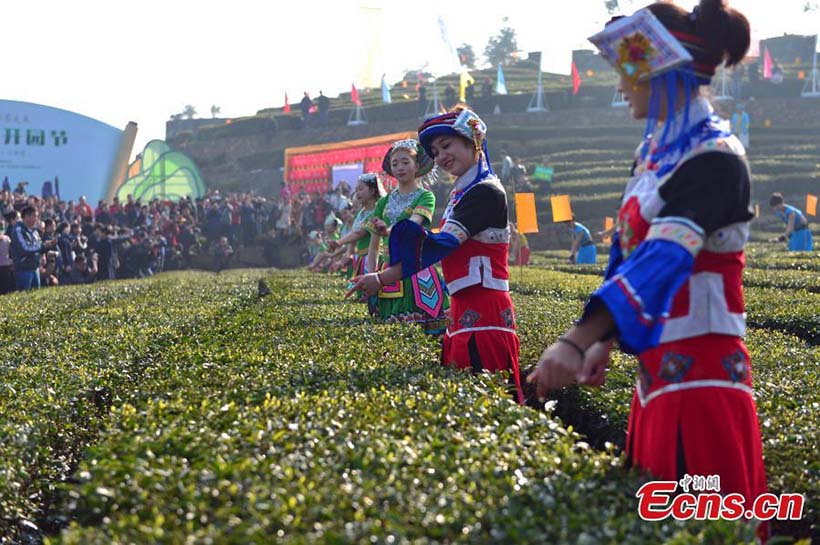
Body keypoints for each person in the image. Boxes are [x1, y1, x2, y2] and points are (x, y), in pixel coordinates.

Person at [528, 2, 768, 541]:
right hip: (657, 379)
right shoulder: (655, 156)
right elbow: (628, 258)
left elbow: (665, 259)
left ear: (667, 72)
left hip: (702, 382)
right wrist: (603, 343)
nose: (621, 87)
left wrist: (577, 337)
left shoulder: (714, 157)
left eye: (628, 73)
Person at [348, 108, 522, 402]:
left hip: (485, 310)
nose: (440, 156)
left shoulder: (485, 192)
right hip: (463, 307)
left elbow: (441, 244)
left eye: (447, 145)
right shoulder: (463, 192)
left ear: (472, 141)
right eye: (436, 150)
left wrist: (382, 277)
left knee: (487, 400)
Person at [358, 138, 450, 334]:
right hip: (387, 271)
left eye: (405, 162)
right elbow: (374, 246)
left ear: (416, 165)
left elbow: (412, 224)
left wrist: (388, 230)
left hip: (417, 269)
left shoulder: (425, 197)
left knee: (428, 336)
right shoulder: (383, 203)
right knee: (391, 336)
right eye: (395, 163)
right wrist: (371, 275)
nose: (400, 167)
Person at [327, 173, 385, 278]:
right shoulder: (360, 214)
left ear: (372, 191)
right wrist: (341, 262)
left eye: (361, 189)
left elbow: (359, 233)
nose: (357, 193)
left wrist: (338, 242)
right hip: (361, 259)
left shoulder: (377, 211)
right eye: (356, 190)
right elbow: (352, 245)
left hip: (375, 258)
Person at [10, 206, 58, 290]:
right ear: (27, 216)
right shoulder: (18, 229)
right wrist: (43, 246)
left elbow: (38, 245)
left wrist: (47, 246)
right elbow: (24, 248)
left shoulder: (34, 230)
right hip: (23, 269)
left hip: (35, 268)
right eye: (35, 216)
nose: (36, 219)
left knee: (35, 296)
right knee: (24, 298)